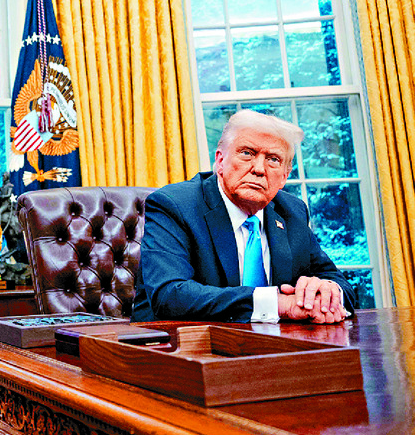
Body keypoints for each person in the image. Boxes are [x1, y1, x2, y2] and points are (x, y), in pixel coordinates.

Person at [132, 109, 355, 324]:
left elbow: (341, 285)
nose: (259, 168)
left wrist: (325, 294)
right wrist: (277, 304)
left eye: (273, 159)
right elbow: (170, 295)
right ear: (220, 161)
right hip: (176, 348)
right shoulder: (174, 205)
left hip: (274, 351)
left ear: (285, 177)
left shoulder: (292, 212)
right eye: (247, 153)